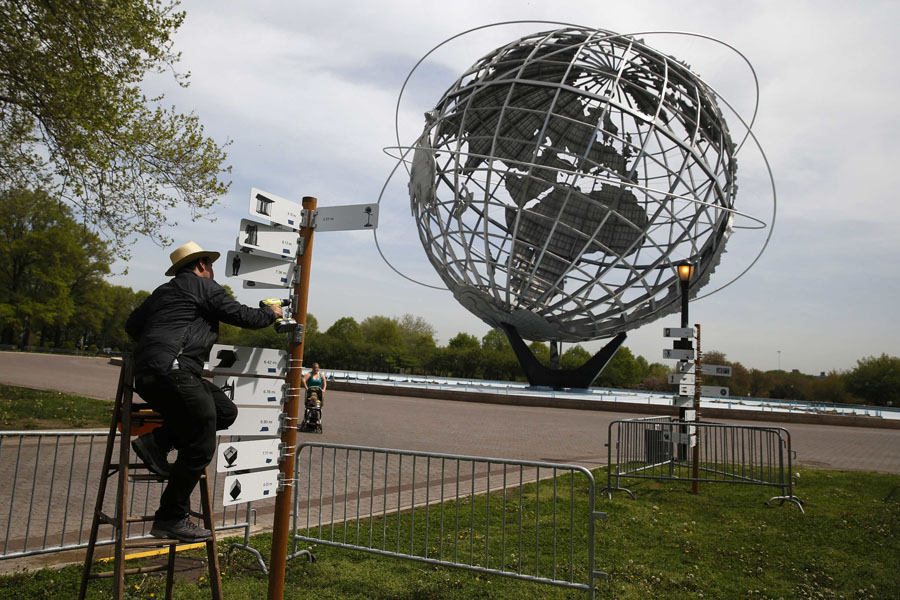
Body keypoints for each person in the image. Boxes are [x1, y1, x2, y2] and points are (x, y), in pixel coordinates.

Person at [125, 241, 283, 542]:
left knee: (225, 411)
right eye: (209, 265)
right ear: (200, 266)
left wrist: (160, 336)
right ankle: (170, 518)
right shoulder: (202, 286)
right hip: (175, 370)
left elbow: (132, 326)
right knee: (201, 443)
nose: (212, 271)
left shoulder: (162, 292)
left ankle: (156, 442)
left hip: (150, 374)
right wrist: (270, 312)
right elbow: (242, 315)